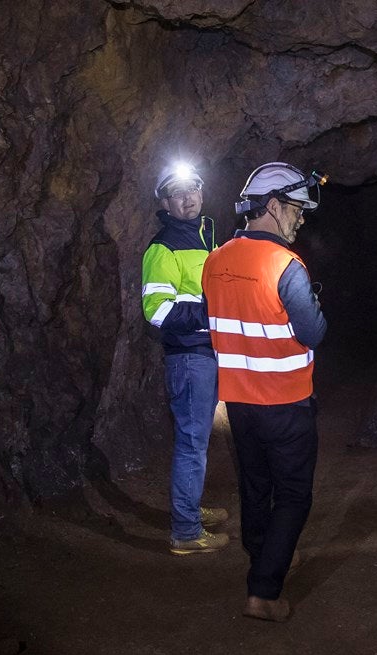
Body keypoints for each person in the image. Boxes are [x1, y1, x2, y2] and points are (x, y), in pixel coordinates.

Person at [201, 162, 328, 622]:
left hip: (239, 402)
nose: (301, 218)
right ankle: (263, 592)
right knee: (293, 495)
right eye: (295, 209)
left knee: (256, 485)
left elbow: (211, 321)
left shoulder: (215, 260)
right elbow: (313, 332)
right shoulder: (284, 265)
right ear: (272, 207)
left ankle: (264, 554)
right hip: (286, 402)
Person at [141, 162, 230, 556]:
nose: (187, 197)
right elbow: (156, 311)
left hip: (207, 353)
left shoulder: (206, 238)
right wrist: (211, 312)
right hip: (189, 357)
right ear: (164, 202)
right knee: (192, 443)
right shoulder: (163, 247)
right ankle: (186, 532)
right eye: (177, 193)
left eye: (192, 189)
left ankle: (189, 509)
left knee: (198, 441)